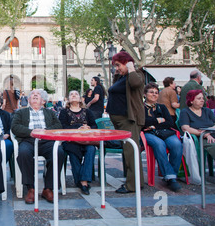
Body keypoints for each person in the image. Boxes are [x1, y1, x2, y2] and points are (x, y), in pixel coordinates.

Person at [11, 89, 64, 204]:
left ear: (43, 101)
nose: (34, 95)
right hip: (28, 140)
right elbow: (14, 127)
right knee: (23, 153)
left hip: (46, 140)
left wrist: (45, 131)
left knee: (59, 152)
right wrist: (31, 131)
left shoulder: (50, 112)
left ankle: (48, 188)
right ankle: (30, 188)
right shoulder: (21, 112)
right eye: (32, 95)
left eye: (38, 95)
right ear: (28, 100)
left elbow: (58, 126)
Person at [179, 89, 215, 190]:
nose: (202, 100)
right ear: (191, 100)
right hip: (199, 137)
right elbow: (185, 128)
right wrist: (204, 134)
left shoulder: (207, 111)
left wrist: (209, 131)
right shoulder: (186, 112)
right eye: (199, 98)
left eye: (202, 98)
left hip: (213, 134)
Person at [105, 51, 144, 194]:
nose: (116, 68)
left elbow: (136, 83)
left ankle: (132, 185)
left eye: (118, 65)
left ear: (127, 63)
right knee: (128, 152)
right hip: (120, 121)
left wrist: (131, 67)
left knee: (131, 152)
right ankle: (134, 181)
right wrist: (120, 72)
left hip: (129, 120)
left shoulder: (136, 74)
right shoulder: (123, 77)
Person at [142, 83, 182, 192]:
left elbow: (169, 122)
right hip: (148, 134)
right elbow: (142, 122)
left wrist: (153, 125)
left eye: (156, 93)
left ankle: (171, 175)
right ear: (145, 94)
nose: (154, 95)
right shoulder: (141, 107)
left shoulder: (162, 107)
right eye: (151, 92)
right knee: (159, 144)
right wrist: (159, 120)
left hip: (164, 132)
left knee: (177, 144)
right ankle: (170, 177)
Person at [59, 90, 97, 195]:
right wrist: (78, 128)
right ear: (68, 99)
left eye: (76, 94)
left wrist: (88, 127)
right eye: (71, 94)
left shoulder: (87, 112)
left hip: (86, 140)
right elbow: (63, 127)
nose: (74, 95)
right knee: (72, 151)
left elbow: (94, 126)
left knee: (91, 149)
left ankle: (82, 181)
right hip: (71, 140)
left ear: (80, 99)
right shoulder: (64, 112)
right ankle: (83, 182)